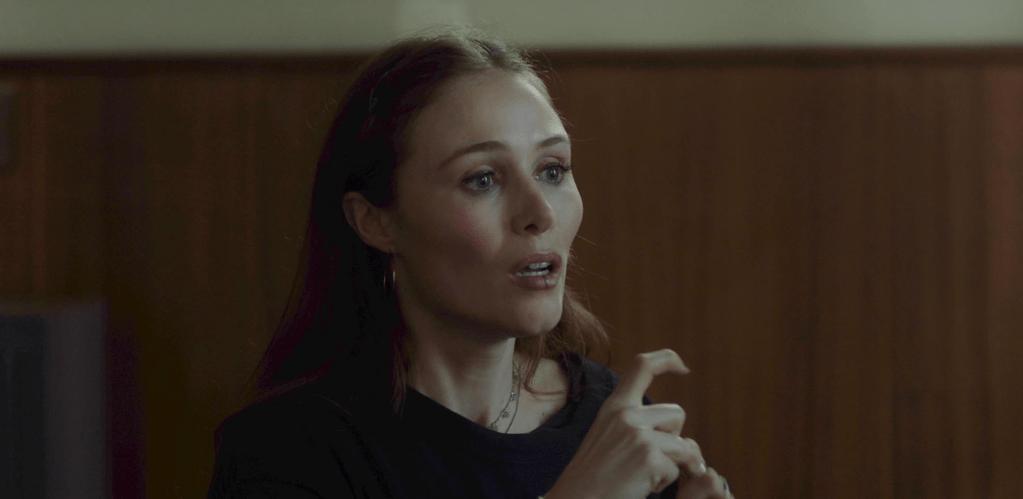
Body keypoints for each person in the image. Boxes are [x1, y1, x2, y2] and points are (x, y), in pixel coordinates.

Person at [205, 27, 734, 499]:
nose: (541, 213)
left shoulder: (615, 421)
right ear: (375, 221)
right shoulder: (286, 452)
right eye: (483, 179)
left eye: (552, 170)